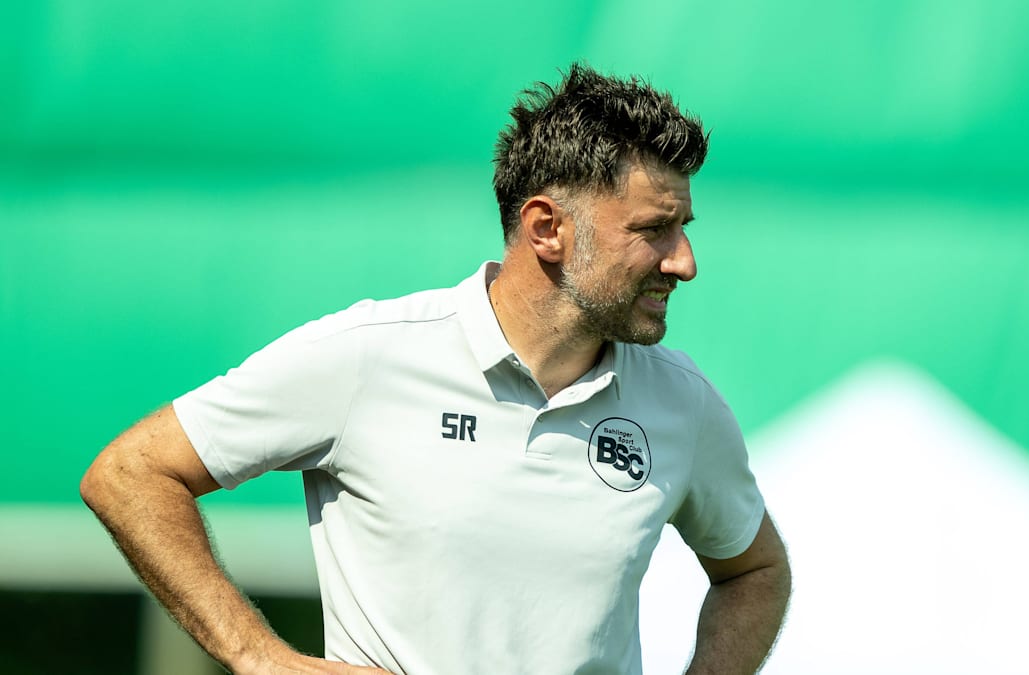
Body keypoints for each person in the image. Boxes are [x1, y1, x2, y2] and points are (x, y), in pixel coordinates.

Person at [81, 63, 791, 675]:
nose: (683, 262)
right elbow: (130, 473)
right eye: (653, 230)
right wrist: (258, 655)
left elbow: (756, 570)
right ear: (547, 228)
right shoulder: (370, 355)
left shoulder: (682, 401)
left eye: (683, 229)